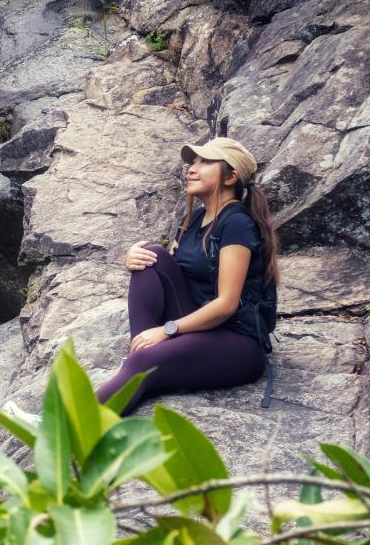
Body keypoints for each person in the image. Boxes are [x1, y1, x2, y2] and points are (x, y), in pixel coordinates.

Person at [95, 136, 280, 414]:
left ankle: (64, 427)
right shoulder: (197, 218)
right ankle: (143, 361)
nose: (192, 169)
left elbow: (227, 304)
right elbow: (170, 274)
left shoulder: (236, 223)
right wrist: (132, 257)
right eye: (193, 162)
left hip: (238, 343)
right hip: (201, 327)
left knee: (143, 364)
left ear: (230, 177)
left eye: (205, 162)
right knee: (152, 257)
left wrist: (167, 330)